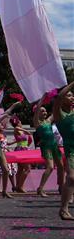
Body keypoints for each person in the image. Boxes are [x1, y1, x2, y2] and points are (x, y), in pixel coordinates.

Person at [51, 81, 74, 220]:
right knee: (71, 177)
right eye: (69, 95)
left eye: (73, 96)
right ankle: (64, 209)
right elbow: (59, 96)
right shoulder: (58, 113)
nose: (72, 98)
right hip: (71, 149)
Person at [30, 105, 63, 197]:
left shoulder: (48, 121)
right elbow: (36, 113)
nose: (45, 112)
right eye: (42, 111)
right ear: (37, 112)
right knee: (50, 167)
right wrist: (43, 97)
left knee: (61, 166)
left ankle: (61, 186)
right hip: (46, 147)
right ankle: (40, 188)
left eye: (45, 111)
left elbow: (56, 110)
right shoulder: (37, 123)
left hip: (54, 145)